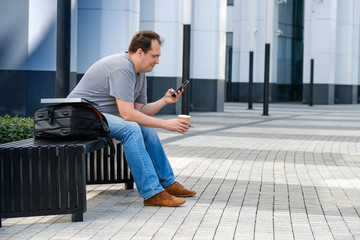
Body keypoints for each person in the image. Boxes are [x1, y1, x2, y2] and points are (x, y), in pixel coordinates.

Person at [68, 30, 196, 207]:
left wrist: (164, 101)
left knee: (145, 127)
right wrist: (166, 124)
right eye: (155, 56)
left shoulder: (139, 72)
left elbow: (139, 111)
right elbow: (128, 115)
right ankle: (152, 193)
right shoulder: (122, 66)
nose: (157, 61)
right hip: (80, 117)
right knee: (131, 128)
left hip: (98, 117)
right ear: (140, 52)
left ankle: (167, 183)